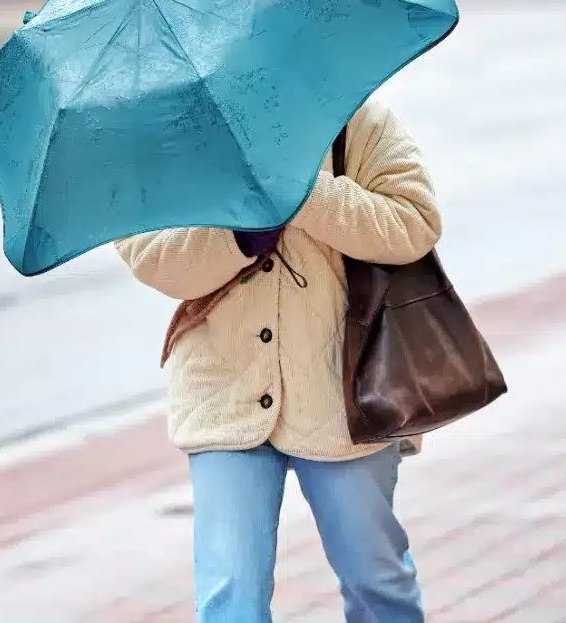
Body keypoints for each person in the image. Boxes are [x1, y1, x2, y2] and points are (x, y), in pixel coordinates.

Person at [114, 92, 442, 622]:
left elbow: (414, 225)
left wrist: (304, 189)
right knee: (231, 596)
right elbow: (151, 257)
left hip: (348, 394)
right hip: (223, 392)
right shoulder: (174, 135)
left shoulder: (356, 118)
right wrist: (241, 237)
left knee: (375, 580)